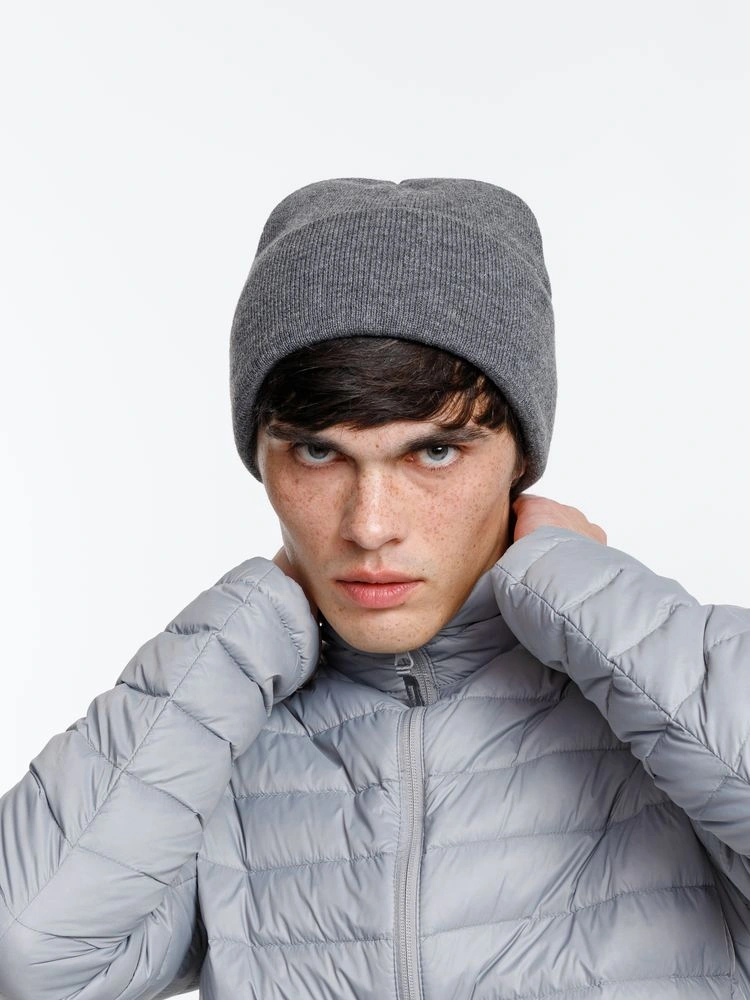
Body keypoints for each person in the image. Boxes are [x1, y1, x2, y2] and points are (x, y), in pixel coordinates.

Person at [0, 177, 748, 1000]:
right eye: (318, 453)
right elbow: (26, 957)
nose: (369, 526)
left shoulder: (657, 718)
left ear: (522, 460)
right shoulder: (217, 738)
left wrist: (574, 587)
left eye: (435, 452)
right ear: (262, 459)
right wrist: (243, 633)